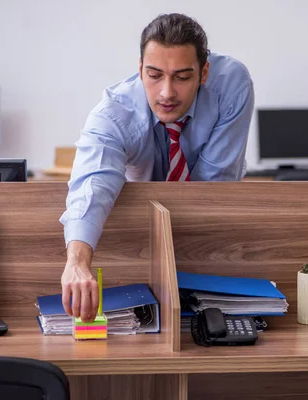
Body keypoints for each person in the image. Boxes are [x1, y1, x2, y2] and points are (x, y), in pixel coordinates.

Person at [59, 13, 254, 322]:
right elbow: (92, 187)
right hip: (140, 239)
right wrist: (77, 262)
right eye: (154, 75)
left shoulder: (231, 85)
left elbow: (212, 186)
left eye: (182, 76)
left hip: (210, 240)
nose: (166, 93)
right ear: (139, 70)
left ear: (204, 73)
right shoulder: (113, 114)